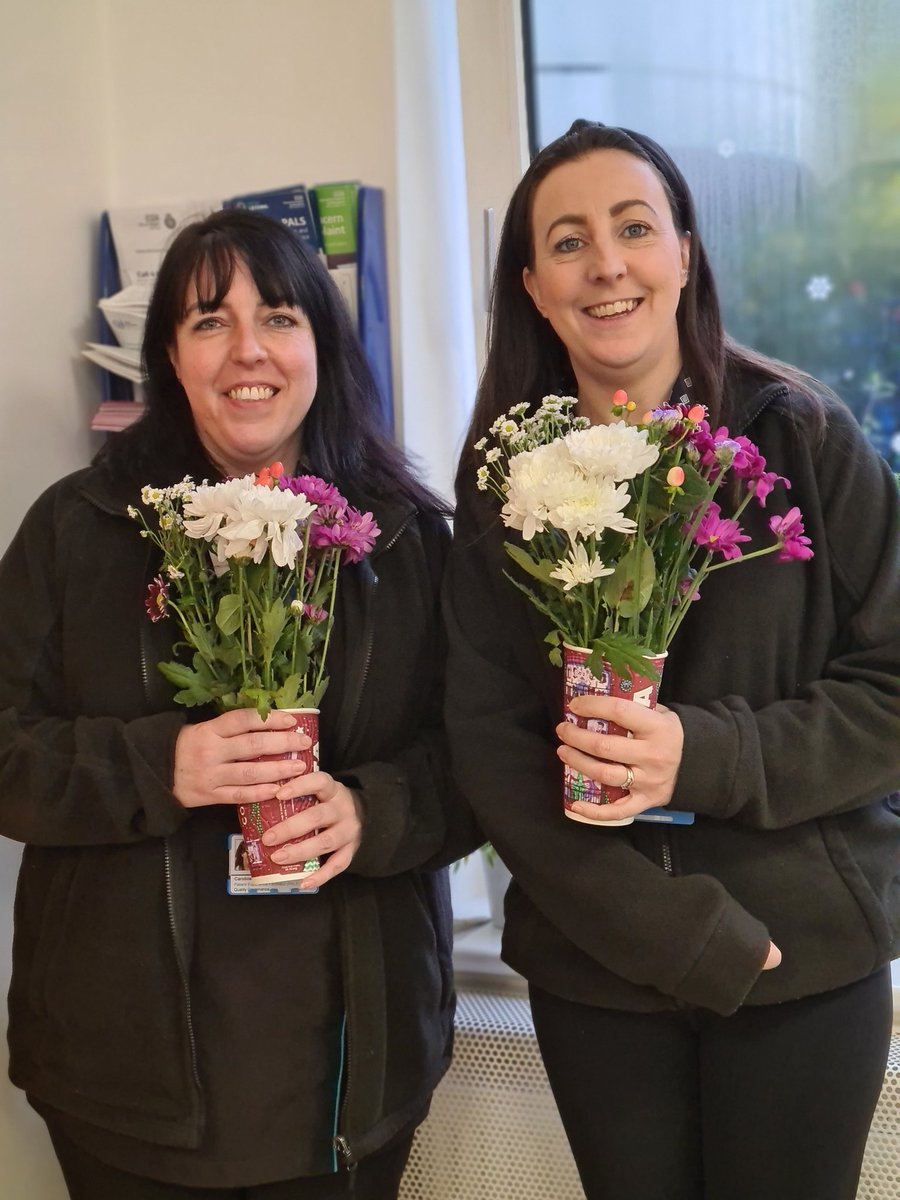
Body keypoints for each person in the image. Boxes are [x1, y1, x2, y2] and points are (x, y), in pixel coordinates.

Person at [444, 119, 900, 1200]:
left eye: (635, 228)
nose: (607, 264)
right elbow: (492, 747)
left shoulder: (804, 437)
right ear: (533, 288)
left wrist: (702, 756)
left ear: (685, 254)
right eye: (568, 242)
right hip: (597, 965)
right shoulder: (504, 484)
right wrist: (678, 932)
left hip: (802, 960)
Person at [0, 208, 473, 1199]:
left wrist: (373, 811)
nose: (247, 349)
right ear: (170, 358)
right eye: (210, 320)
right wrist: (157, 765)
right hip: (122, 1078)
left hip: (348, 1075)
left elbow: (480, 761)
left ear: (322, 348)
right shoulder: (76, 530)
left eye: (281, 317)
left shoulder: (406, 542)